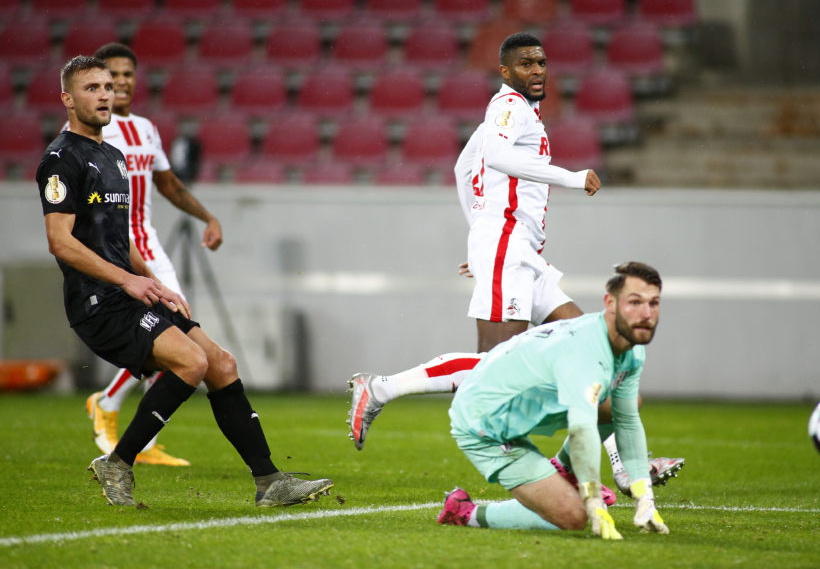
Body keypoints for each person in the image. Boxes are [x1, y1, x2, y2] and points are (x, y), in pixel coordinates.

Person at [348, 33, 683, 493]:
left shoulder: (522, 113)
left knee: (602, 355)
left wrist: (479, 233)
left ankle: (624, 469)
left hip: (517, 249)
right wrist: (567, 179)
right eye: (526, 64)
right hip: (507, 244)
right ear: (506, 72)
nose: (538, 70)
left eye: (542, 62)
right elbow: (499, 158)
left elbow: (464, 169)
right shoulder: (507, 107)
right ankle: (379, 388)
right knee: (494, 367)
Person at [36, 55, 333, 507]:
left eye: (108, 87)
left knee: (222, 364)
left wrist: (154, 283)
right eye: (92, 88)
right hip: (97, 301)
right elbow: (61, 242)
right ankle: (119, 461)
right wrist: (128, 282)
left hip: (130, 291)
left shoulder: (112, 156)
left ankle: (269, 481)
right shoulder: (61, 159)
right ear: (68, 99)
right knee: (191, 364)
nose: (105, 95)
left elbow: (120, 237)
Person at [435, 261, 669, 538]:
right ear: (611, 303)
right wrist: (593, 502)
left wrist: (645, 500)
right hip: (484, 423)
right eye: (635, 302)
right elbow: (582, 430)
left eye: (653, 303)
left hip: (519, 406)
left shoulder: (631, 347)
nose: (646, 314)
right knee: (574, 517)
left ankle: (562, 469)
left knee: (624, 405)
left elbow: (627, 419)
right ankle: (465, 513)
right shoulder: (586, 353)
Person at [75, 42, 223, 467]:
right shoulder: (98, 131)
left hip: (150, 244)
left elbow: (169, 185)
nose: (119, 83)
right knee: (161, 336)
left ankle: (137, 435)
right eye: (111, 76)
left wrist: (208, 217)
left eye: (126, 75)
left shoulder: (145, 129)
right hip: (120, 247)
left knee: (177, 332)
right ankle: (108, 403)